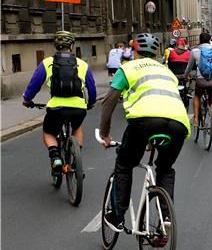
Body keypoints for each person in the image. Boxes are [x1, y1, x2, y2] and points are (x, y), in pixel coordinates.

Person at [98, 32, 190, 232]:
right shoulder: (166, 71)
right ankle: (166, 217)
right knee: (165, 168)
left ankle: (117, 216)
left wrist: (105, 134)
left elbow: (108, 102)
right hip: (179, 123)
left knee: (124, 164)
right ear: (155, 52)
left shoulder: (127, 68)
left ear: (134, 51)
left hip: (145, 122)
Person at [22, 30, 97, 174]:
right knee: (77, 126)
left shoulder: (47, 63)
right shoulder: (82, 64)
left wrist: (27, 99)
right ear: (72, 46)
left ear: (56, 45)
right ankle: (76, 158)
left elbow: (34, 85)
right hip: (78, 108)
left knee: (49, 132)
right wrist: (91, 102)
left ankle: (56, 158)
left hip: (56, 108)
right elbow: (91, 88)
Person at [183, 31, 212, 135]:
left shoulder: (195, 51)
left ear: (199, 40)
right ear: (209, 41)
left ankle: (196, 120)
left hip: (200, 80)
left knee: (196, 96)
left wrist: (185, 76)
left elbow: (189, 67)